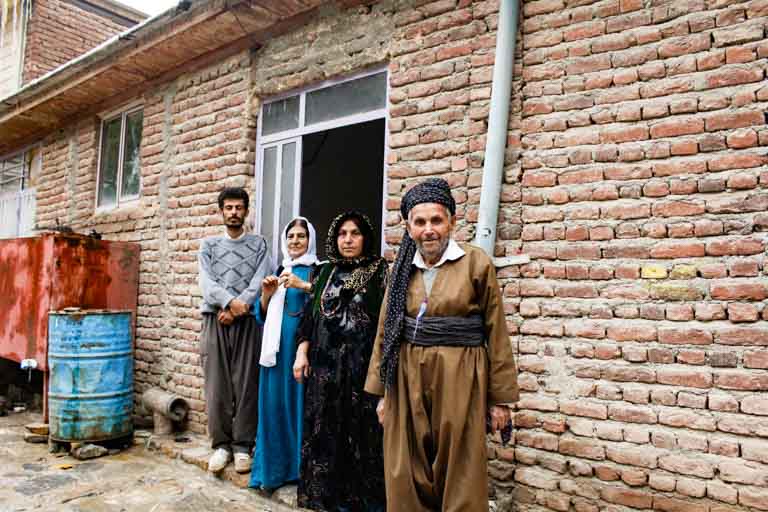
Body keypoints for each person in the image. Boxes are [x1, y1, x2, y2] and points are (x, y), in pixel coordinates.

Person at [365, 178, 519, 512]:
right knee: (406, 465)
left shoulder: (476, 263)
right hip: (406, 377)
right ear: (408, 228)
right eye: (419, 222)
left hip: (461, 376)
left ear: (451, 221)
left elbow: (496, 333)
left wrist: (500, 400)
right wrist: (382, 394)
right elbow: (385, 332)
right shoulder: (402, 270)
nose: (429, 230)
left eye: (436, 220)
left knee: (460, 467)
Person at [295, 211, 388, 512]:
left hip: (361, 370)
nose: (348, 239)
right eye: (342, 234)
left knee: (361, 433)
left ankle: (359, 501)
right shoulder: (324, 272)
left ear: (366, 238)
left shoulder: (378, 271)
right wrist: (301, 352)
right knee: (325, 430)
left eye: (355, 233)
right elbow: (310, 316)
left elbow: (387, 323)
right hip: (324, 369)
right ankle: (324, 499)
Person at [198, 187, 271, 474]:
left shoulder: (259, 244)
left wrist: (241, 306)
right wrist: (228, 304)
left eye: (239, 207)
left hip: (247, 321)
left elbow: (259, 279)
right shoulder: (209, 245)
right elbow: (206, 281)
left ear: (246, 210)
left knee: (246, 385)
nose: (234, 213)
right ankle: (221, 445)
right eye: (228, 208)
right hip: (214, 318)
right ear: (221, 211)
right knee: (217, 385)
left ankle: (242, 446)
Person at [249, 217, 320, 491]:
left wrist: (302, 286)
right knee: (274, 405)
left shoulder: (318, 270)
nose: (295, 241)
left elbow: (327, 302)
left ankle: (298, 471)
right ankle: (274, 470)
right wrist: (267, 294)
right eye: (291, 236)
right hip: (275, 352)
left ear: (310, 240)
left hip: (301, 350)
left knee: (297, 406)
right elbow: (262, 315)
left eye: (301, 236)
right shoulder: (280, 270)